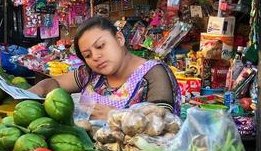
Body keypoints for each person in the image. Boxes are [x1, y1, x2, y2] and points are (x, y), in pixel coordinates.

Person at [29, 16, 180, 120]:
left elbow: (162, 123)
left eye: (101, 46)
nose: (95, 57)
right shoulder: (91, 74)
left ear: (119, 38)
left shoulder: (154, 73)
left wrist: (117, 117)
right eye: (87, 55)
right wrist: (35, 92)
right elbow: (56, 83)